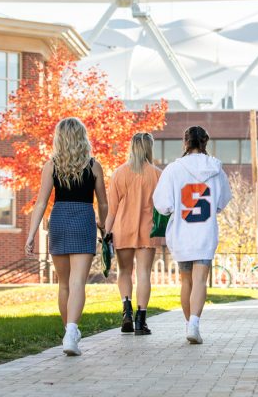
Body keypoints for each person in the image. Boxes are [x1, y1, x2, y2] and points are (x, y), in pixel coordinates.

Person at [25, 117, 107, 356]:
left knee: (64, 284)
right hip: (83, 220)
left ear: (59, 138)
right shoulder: (94, 166)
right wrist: (104, 225)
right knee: (77, 282)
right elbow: (103, 201)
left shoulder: (51, 165)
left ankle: (68, 334)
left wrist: (31, 234)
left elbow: (41, 203)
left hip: (59, 219)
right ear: (83, 137)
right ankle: (72, 331)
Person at [152, 125, 231, 344]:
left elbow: (162, 204)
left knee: (186, 281)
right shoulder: (216, 169)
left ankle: (189, 325)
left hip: (182, 232)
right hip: (205, 232)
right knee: (200, 280)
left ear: (185, 142)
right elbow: (223, 201)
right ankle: (195, 323)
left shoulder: (173, 170)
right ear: (205, 142)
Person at [105, 132, 162, 335]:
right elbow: (163, 206)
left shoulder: (119, 173)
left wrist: (106, 232)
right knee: (144, 273)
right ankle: (141, 320)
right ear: (149, 148)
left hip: (122, 228)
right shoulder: (157, 174)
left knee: (124, 272)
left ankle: (126, 309)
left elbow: (111, 209)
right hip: (148, 229)